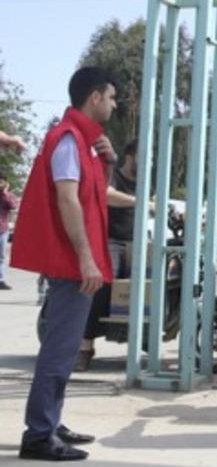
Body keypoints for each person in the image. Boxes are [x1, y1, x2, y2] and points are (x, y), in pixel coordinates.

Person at [12, 67, 117, 461]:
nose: (114, 103)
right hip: (72, 263)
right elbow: (67, 200)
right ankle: (39, 435)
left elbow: (90, 197)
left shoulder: (81, 143)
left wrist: (107, 162)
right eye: (111, 97)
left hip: (74, 261)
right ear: (93, 97)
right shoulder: (70, 141)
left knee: (64, 347)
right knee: (59, 350)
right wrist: (87, 258)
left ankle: (50, 422)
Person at [74, 141, 139, 372]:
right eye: (143, 156)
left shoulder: (146, 181)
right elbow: (106, 194)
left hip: (139, 243)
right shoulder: (114, 176)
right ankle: (85, 348)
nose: (147, 162)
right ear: (130, 156)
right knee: (101, 287)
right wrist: (141, 202)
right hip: (112, 241)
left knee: (147, 289)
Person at [0, 174, 19, 290]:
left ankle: (0, 280)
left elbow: (13, 206)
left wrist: (5, 193)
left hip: (3, 229)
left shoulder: (7, 196)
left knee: (1, 256)